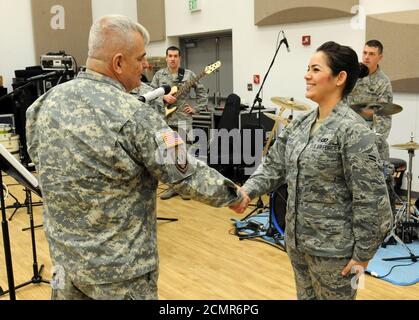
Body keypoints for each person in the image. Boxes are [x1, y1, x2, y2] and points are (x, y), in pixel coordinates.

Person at [25, 15, 248, 300]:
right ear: (118, 63)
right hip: (119, 275)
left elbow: (39, 160)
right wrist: (233, 194)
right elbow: (186, 173)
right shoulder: (135, 115)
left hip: (66, 266)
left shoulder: (43, 104)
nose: (146, 65)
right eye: (141, 58)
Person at [230, 41, 392, 300]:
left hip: (336, 254)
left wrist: (363, 255)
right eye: (308, 68)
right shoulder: (301, 124)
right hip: (297, 244)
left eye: (315, 69)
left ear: (340, 77)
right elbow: (274, 165)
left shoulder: (354, 131)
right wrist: (248, 191)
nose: (307, 75)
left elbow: (372, 201)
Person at [151, 46, 208, 200]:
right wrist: (163, 98)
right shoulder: (159, 75)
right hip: (167, 121)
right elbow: (150, 94)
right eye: (170, 56)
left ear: (180, 58)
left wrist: (196, 109)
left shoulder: (189, 74)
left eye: (175, 56)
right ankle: (173, 187)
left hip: (184, 120)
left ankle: (186, 188)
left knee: (186, 154)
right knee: (171, 154)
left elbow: (202, 93)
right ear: (166, 58)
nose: (172, 58)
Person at [347, 40, 396, 214]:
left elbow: (384, 115)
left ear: (380, 57)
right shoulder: (354, 74)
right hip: (347, 131)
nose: (366, 57)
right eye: (365, 53)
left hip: (370, 135)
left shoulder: (382, 82)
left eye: (372, 54)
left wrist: (374, 140)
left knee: (382, 178)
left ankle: (388, 219)